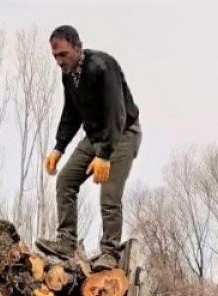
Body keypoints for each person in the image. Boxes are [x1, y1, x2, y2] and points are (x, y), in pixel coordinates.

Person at [36, 25, 142, 271]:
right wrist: (58, 147)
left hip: (122, 133)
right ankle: (66, 241)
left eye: (63, 54)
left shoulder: (102, 67)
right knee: (65, 181)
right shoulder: (69, 75)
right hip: (94, 136)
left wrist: (104, 155)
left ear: (78, 47)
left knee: (109, 193)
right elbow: (71, 112)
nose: (59, 61)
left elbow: (117, 113)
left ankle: (109, 252)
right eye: (55, 56)